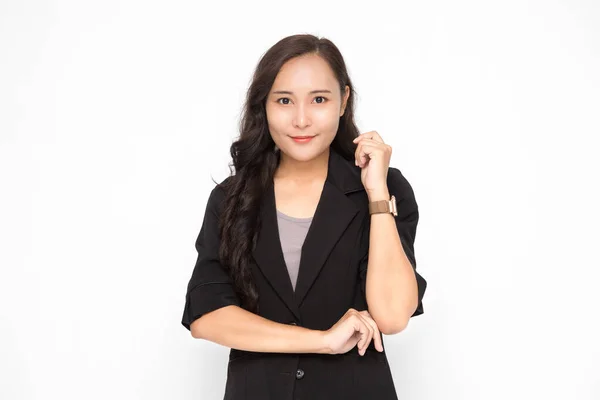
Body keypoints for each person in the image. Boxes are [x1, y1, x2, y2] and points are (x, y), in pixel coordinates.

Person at [181, 33, 427, 400]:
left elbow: (392, 316)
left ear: (344, 101)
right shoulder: (230, 199)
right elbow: (207, 317)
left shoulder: (384, 188)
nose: (301, 119)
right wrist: (322, 341)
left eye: (319, 99)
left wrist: (376, 195)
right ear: (263, 105)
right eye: (284, 100)